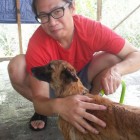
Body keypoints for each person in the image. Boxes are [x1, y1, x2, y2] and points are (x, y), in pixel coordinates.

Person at [8, 0, 140, 134]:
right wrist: (57, 106)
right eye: (43, 16)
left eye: (57, 11)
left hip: (82, 78)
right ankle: (49, 110)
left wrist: (116, 71)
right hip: (52, 86)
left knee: (113, 59)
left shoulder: (91, 29)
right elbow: (39, 100)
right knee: (16, 66)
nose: (52, 22)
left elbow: (136, 54)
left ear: (72, 8)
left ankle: (88, 103)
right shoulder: (38, 43)